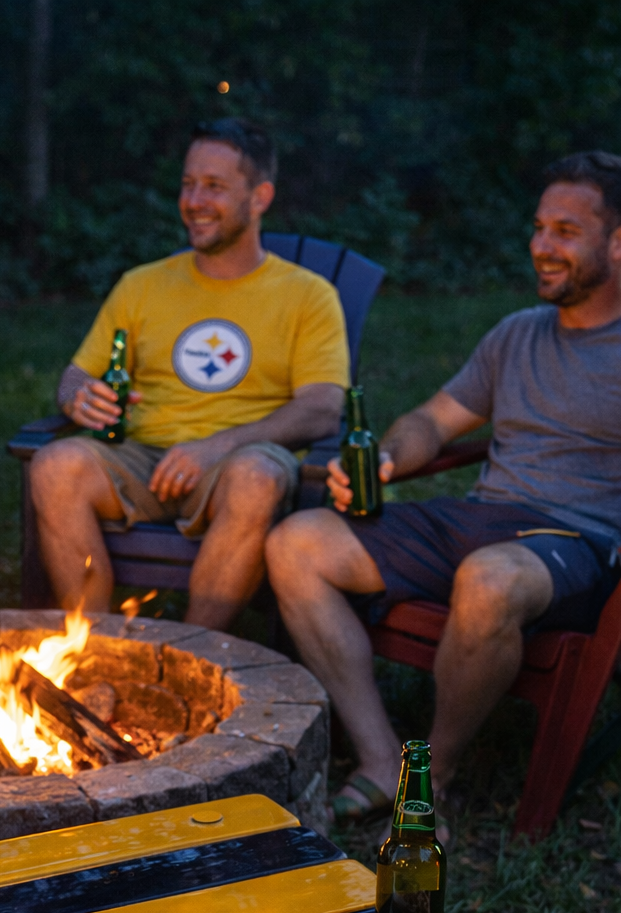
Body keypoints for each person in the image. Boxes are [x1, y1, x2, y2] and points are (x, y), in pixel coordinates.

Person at [265, 150, 621, 838]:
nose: (541, 247)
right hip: (474, 519)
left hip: (574, 542)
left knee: (487, 579)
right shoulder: (517, 333)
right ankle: (378, 759)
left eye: (565, 232)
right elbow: (434, 419)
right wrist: (394, 454)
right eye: (539, 228)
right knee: (296, 542)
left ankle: (438, 776)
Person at [31, 118, 350, 630]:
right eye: (188, 183)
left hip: (238, 463)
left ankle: (192, 653)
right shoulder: (142, 285)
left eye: (215, 187)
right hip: (142, 460)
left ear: (260, 196)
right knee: (54, 465)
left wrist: (216, 448)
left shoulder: (308, 296)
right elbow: (74, 376)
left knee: (256, 476)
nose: (194, 200)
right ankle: (91, 647)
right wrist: (78, 397)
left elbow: (321, 408)